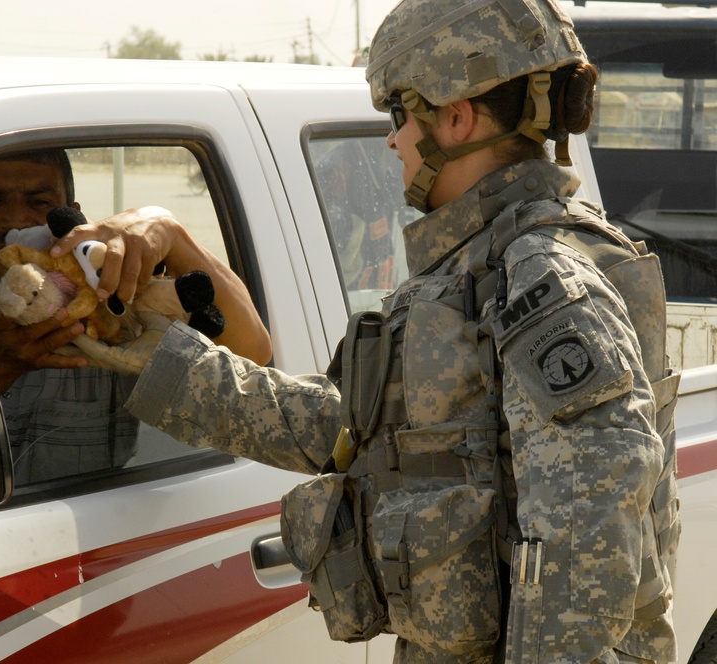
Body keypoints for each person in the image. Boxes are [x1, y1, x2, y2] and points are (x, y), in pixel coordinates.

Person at [82, 0, 681, 661]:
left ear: (455, 117)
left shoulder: (539, 278)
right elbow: (352, 429)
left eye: (401, 115)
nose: (392, 141)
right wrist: (167, 362)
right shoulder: (476, 269)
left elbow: (590, 521)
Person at [0, 147, 271, 484]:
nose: (16, 220)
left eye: (40, 203)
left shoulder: (114, 318)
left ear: (71, 219)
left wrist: (170, 231)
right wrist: (0, 361)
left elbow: (252, 353)